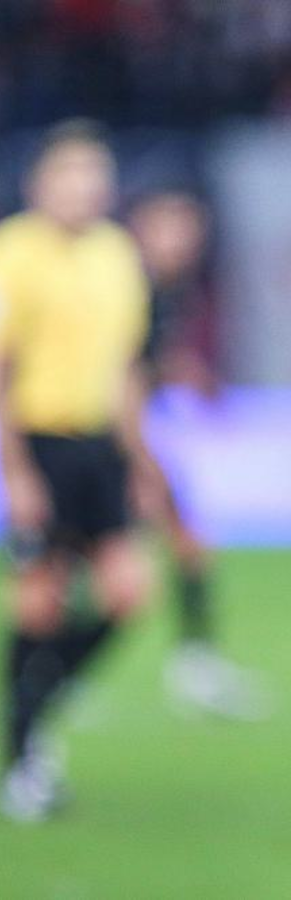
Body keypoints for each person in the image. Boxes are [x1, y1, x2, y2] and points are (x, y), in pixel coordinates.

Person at [0, 119, 156, 821]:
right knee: (40, 600)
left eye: (94, 174)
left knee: (127, 593)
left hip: (99, 450)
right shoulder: (16, 252)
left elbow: (125, 369)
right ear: (40, 183)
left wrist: (139, 462)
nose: (84, 187)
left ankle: (35, 707)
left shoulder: (116, 253)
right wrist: (17, 474)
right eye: (70, 174)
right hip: (41, 443)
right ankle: (23, 757)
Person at [125, 189, 269, 720]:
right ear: (142, 225)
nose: (183, 240)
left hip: (131, 436)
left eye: (190, 229)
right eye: (171, 225)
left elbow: (146, 363)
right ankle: (50, 672)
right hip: (105, 441)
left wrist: (184, 372)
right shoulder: (125, 286)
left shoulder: (170, 291)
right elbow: (118, 377)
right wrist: (140, 461)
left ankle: (196, 666)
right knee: (114, 577)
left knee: (188, 546)